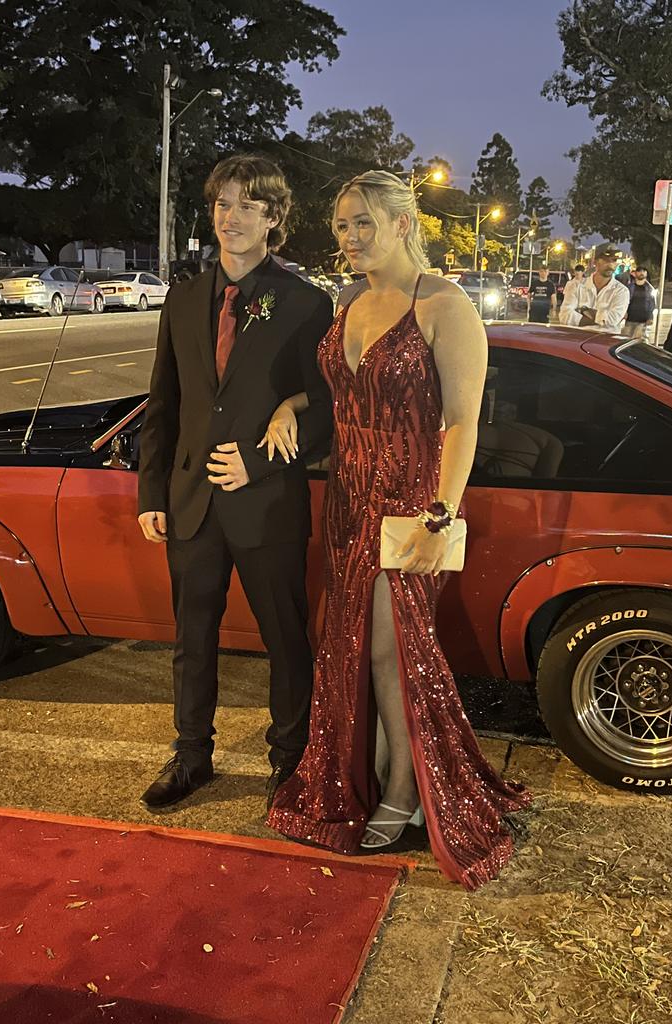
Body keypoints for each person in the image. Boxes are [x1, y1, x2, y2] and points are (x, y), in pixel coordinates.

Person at [264, 170, 531, 889]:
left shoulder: (445, 306)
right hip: (349, 499)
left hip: (413, 505)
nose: (349, 239)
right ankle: (382, 770)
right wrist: (291, 404)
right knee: (350, 647)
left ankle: (407, 794)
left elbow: (463, 421)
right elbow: (333, 390)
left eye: (362, 224)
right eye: (342, 227)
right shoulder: (352, 299)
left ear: (403, 224)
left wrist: (439, 515)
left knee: (390, 651)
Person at [137, 154, 334, 811]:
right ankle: (191, 756)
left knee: (285, 639)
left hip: (268, 502)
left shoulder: (306, 303)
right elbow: (163, 402)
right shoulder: (186, 296)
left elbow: (329, 407)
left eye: (248, 205)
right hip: (191, 503)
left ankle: (291, 762)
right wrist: (152, 493)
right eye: (223, 203)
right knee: (192, 642)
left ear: (274, 217)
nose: (231, 217)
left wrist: (268, 456)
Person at [559, 243, 629, 332]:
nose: (610, 264)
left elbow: (613, 320)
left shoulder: (621, 291)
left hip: (606, 342)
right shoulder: (576, 286)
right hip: (579, 340)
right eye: (606, 260)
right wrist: (601, 323)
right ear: (595, 262)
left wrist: (584, 311)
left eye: (614, 260)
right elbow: (564, 316)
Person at [622, 266, 657, 342]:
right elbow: (625, 301)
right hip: (630, 319)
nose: (641, 273)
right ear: (635, 273)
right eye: (639, 271)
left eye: (644, 271)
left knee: (640, 342)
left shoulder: (650, 288)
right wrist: (624, 312)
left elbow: (652, 304)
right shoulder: (629, 287)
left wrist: (650, 317)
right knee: (625, 341)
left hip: (643, 320)